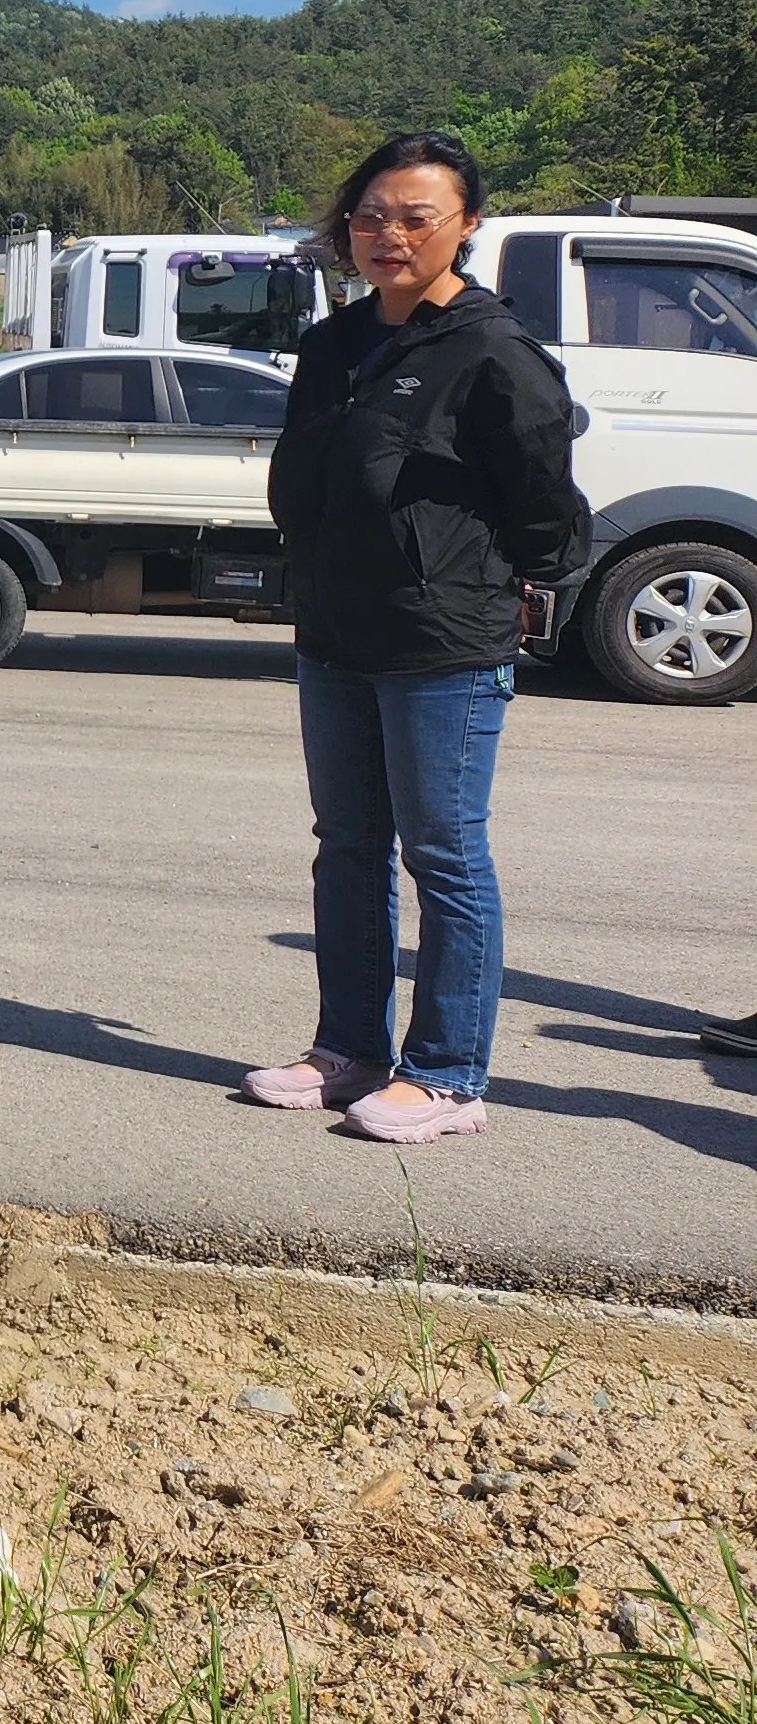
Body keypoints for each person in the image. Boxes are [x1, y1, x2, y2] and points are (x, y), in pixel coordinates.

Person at [244, 133, 588, 1143]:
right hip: (334, 630)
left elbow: (545, 507)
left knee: (445, 855)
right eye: (369, 216)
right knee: (347, 847)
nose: (386, 235)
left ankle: (445, 1076)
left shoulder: (493, 352)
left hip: (443, 640)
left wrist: (497, 588)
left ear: (465, 227)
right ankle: (349, 1050)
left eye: (414, 218)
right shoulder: (335, 344)